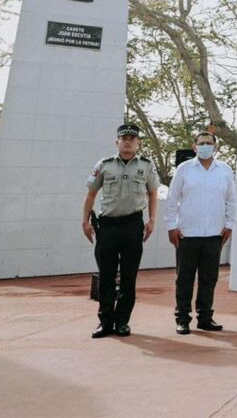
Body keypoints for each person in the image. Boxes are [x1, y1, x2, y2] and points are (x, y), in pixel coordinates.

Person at [82, 123, 160, 338]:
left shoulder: (146, 166)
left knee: (129, 277)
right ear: (117, 142)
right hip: (107, 226)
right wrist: (85, 221)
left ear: (138, 143)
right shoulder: (104, 165)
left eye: (132, 139)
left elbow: (153, 193)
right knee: (107, 276)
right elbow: (91, 194)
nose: (127, 141)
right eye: (123, 138)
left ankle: (123, 322)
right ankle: (105, 322)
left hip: (133, 226)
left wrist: (152, 220)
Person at [164, 131, 236, 335]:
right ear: (194, 146)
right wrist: (172, 226)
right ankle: (183, 318)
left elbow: (231, 199)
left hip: (214, 233)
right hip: (187, 233)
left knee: (209, 278)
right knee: (184, 278)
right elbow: (172, 199)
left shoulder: (224, 170)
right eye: (201, 143)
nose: (205, 146)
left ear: (216, 147)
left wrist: (229, 223)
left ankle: (205, 317)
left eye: (209, 143)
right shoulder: (184, 169)